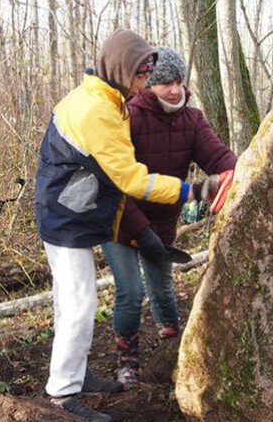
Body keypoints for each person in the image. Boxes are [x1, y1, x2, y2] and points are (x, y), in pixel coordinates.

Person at [34, 30, 196, 422]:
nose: (145, 86)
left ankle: (72, 373)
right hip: (65, 214)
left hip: (73, 207)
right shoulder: (97, 109)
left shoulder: (104, 97)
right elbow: (132, 180)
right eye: (142, 77)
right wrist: (192, 190)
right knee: (78, 304)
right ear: (124, 70)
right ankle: (62, 394)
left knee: (68, 303)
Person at [101, 47, 238, 386]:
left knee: (162, 287)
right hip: (120, 221)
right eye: (165, 83)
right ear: (148, 85)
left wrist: (244, 171)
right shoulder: (127, 117)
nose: (175, 90)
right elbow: (114, 182)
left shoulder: (191, 120)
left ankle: (173, 346)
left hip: (161, 223)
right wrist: (140, 231)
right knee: (130, 292)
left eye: (179, 82)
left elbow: (218, 157)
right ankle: (127, 360)